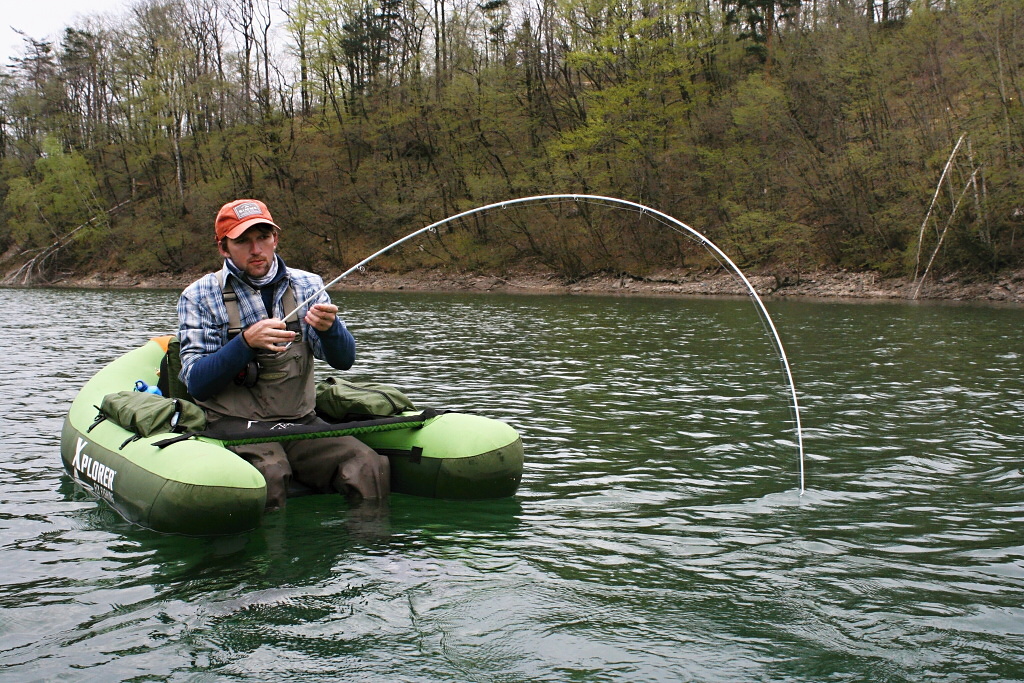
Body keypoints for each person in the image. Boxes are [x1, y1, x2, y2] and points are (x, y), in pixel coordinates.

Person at [177, 198, 389, 510]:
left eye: (263, 237)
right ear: (224, 248)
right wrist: (246, 343)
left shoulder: (309, 285)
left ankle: (370, 549)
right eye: (243, 241)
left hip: (301, 422)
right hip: (234, 425)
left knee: (367, 463)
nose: (256, 250)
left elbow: (344, 361)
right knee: (270, 472)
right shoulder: (198, 296)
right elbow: (197, 382)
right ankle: (270, 557)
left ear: (275, 238)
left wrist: (331, 330)